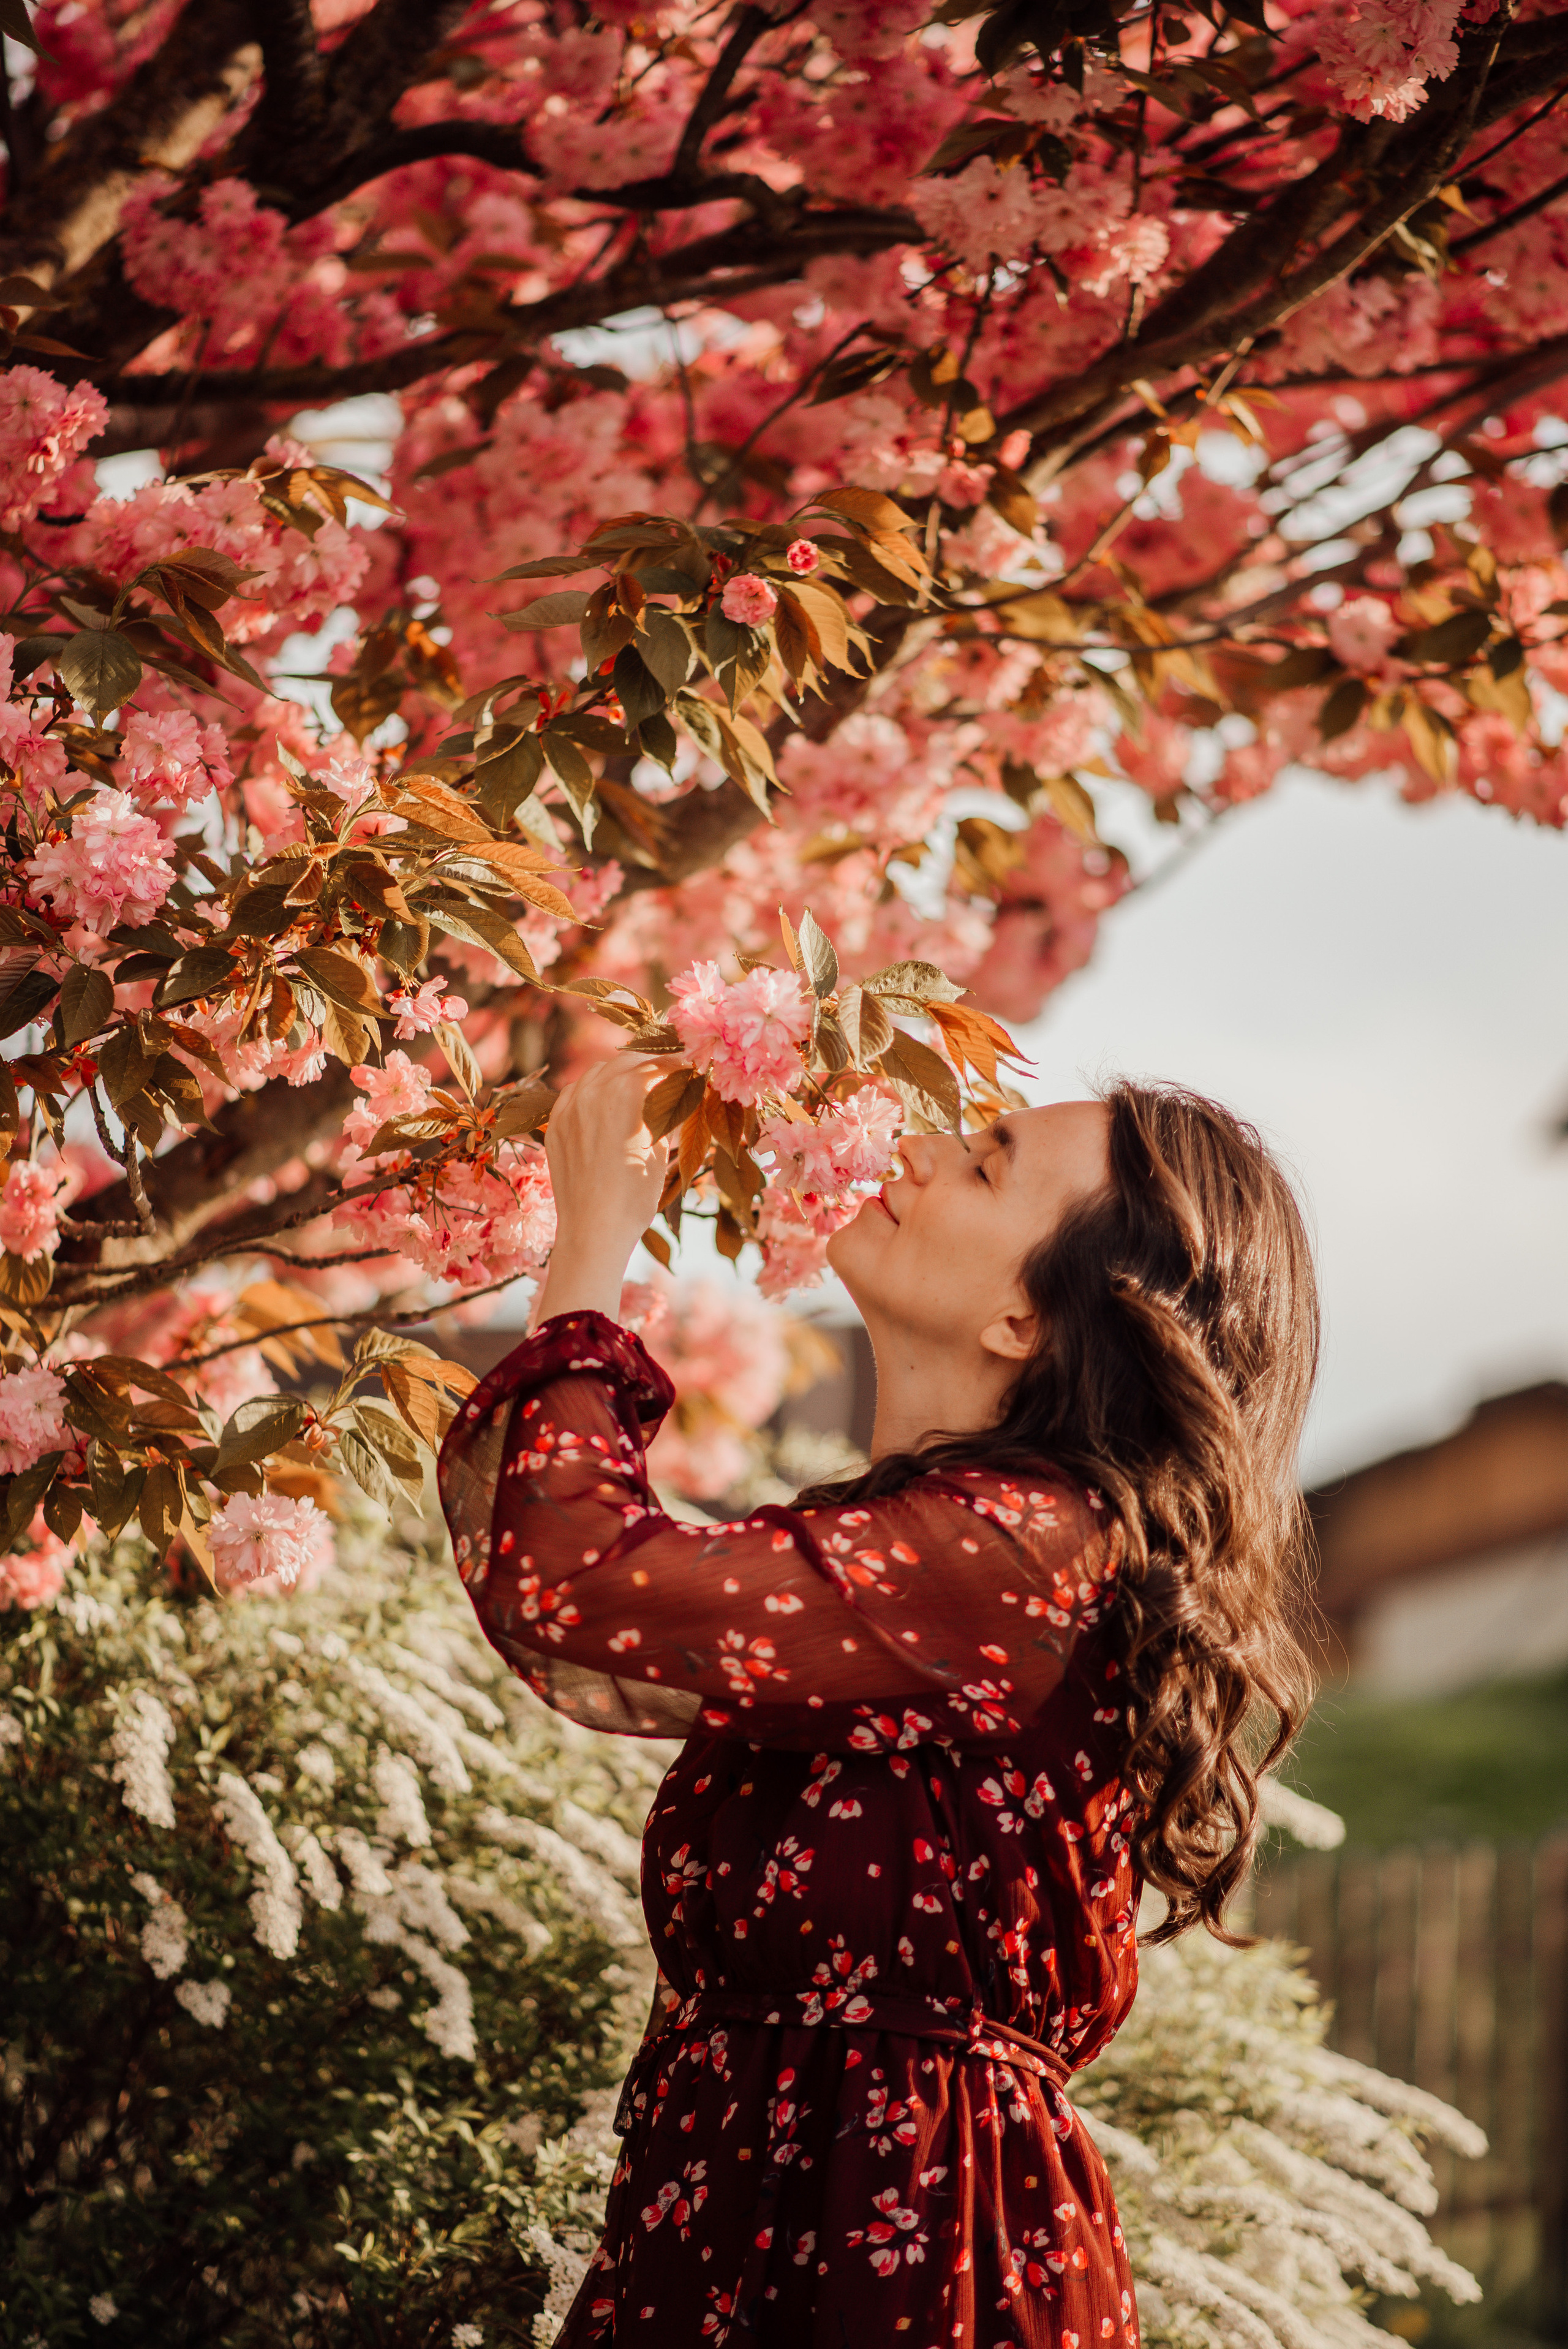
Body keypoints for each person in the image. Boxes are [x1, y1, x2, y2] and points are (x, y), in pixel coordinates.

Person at [439, 1056, 1320, 2347]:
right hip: (754, 2220)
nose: (911, 1149)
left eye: (983, 1162)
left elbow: (579, 1587)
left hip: (909, 2251)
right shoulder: (935, 1550)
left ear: (1028, 1319)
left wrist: (587, 1259)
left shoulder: (1020, 1553)